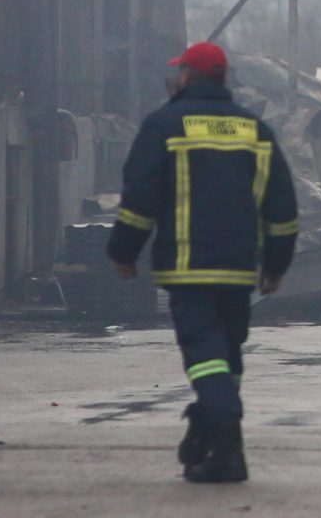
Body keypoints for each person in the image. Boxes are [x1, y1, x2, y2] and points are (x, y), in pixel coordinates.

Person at [108, 41, 300, 484]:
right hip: (237, 270)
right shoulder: (256, 130)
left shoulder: (163, 125)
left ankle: (226, 441)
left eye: (179, 73)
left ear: (189, 77)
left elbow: (139, 196)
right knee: (227, 357)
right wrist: (276, 263)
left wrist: (123, 251)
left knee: (205, 356)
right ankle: (208, 428)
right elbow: (281, 207)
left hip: (187, 267)